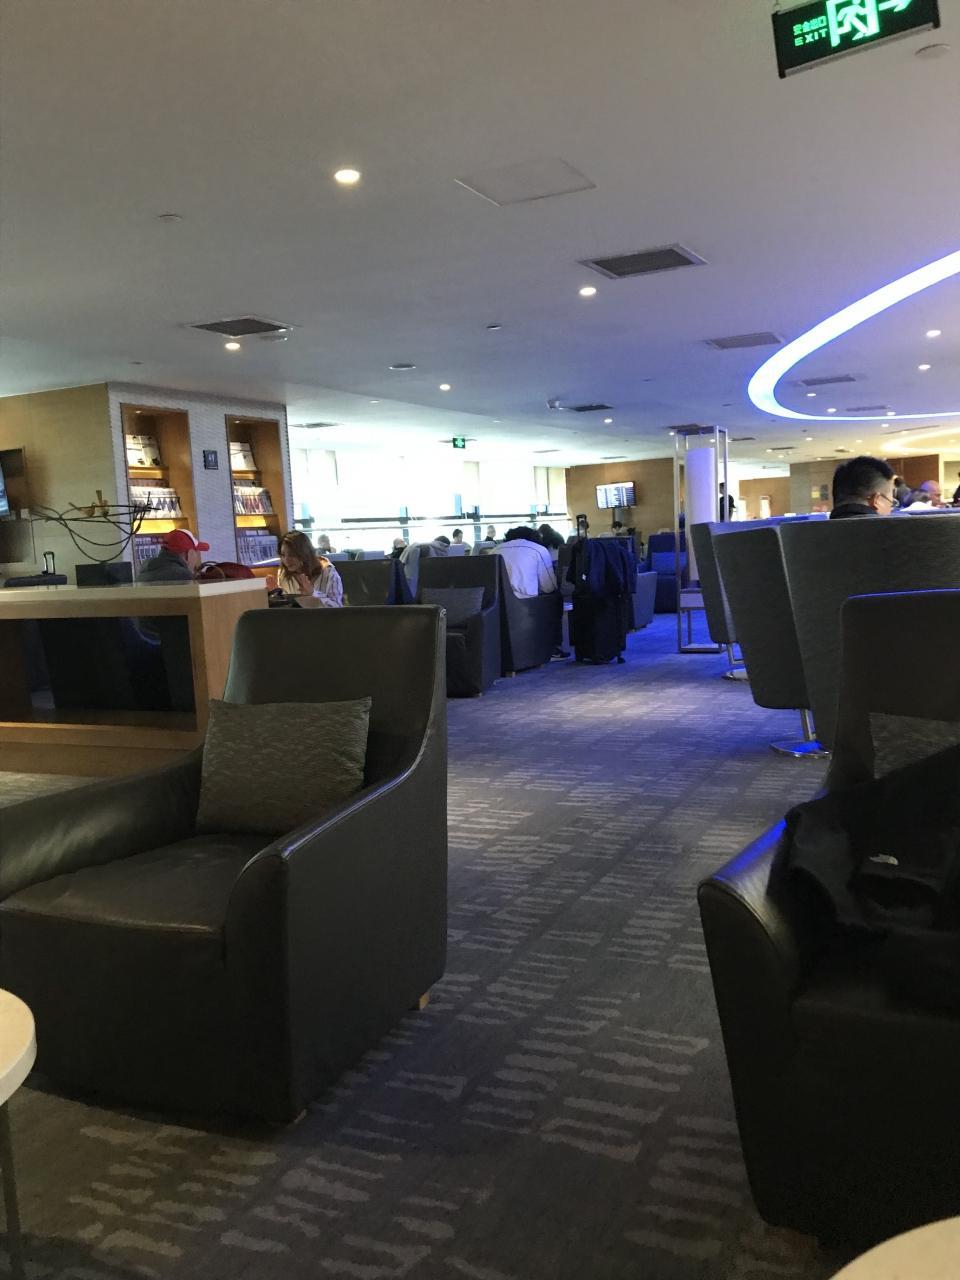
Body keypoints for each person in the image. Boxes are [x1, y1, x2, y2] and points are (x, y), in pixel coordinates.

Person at [269, 530, 343, 607]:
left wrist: (313, 593)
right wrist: (276, 595)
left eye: (292, 555)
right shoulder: (283, 573)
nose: (286, 560)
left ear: (304, 553)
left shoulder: (329, 573)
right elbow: (285, 607)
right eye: (283, 555)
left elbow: (337, 607)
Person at [495, 527, 557, 598]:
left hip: (496, 600)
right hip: (526, 601)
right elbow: (549, 587)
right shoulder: (538, 549)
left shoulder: (495, 550)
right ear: (535, 537)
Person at [829, 455, 896, 519]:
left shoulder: (823, 526)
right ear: (876, 501)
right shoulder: (894, 526)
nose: (891, 510)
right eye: (892, 504)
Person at [137, 528, 208, 583]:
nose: (196, 558)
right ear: (188, 555)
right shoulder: (183, 576)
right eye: (196, 552)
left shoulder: (144, 572)